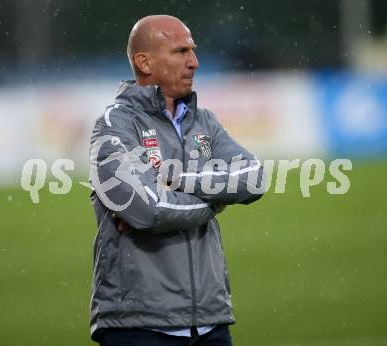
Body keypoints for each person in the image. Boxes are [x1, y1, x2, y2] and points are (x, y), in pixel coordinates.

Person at [89, 15, 265, 346]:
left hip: (210, 323)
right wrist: (216, 200)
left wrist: (179, 179)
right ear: (144, 62)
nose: (194, 62)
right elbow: (149, 210)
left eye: (193, 51)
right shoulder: (115, 126)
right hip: (139, 326)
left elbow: (253, 178)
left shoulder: (205, 121)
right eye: (180, 51)